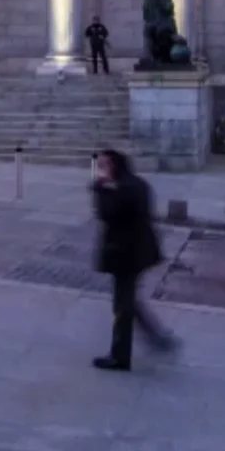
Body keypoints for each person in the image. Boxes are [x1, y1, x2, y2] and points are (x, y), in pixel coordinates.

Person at [91, 148, 176, 371]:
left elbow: (107, 215)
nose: (100, 170)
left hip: (128, 255)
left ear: (114, 166)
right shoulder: (136, 184)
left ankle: (120, 357)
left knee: (122, 306)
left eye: (103, 166)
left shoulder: (122, 190)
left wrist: (100, 189)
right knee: (127, 301)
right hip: (138, 253)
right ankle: (156, 336)